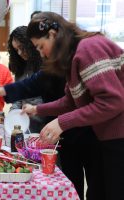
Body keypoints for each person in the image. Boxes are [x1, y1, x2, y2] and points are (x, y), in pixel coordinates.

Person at [0, 26, 103, 200]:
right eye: (17, 50)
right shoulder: (50, 66)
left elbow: (98, 104)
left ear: (53, 37)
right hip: (60, 131)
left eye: (38, 46)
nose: (22, 53)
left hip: (88, 133)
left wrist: (57, 120)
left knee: (98, 187)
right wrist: (30, 107)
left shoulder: (81, 56)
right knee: (71, 180)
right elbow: (64, 100)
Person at [24, 11, 124, 200]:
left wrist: (61, 123)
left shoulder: (88, 49)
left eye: (40, 46)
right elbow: (70, 102)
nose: (41, 53)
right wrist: (37, 109)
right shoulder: (74, 58)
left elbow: (111, 101)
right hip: (106, 137)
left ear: (53, 35)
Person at [7, 26, 45, 133]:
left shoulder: (45, 65)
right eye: (16, 50)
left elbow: (54, 101)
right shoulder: (21, 69)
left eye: (21, 47)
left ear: (30, 44)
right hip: (26, 126)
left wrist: (34, 109)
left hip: (46, 127)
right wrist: (12, 114)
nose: (19, 53)